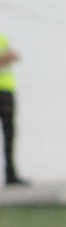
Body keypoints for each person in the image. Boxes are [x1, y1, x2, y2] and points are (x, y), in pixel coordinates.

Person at [0, 33, 27, 186]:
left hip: (6, 91)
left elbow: (14, 56)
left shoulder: (2, 38)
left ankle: (10, 174)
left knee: (9, 133)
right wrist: (5, 58)